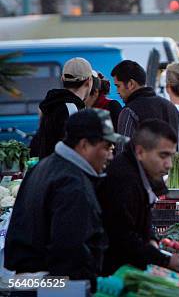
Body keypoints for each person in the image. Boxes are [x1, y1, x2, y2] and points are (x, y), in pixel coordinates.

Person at [6, 109, 128, 290]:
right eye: (106, 147)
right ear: (84, 145)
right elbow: (69, 252)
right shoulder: (72, 184)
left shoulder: (44, 166)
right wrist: (88, 285)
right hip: (51, 287)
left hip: (30, 283)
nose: (110, 155)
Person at [97, 120, 179, 275]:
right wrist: (165, 260)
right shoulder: (123, 180)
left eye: (171, 156)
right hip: (112, 273)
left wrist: (152, 239)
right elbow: (122, 236)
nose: (169, 165)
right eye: (163, 155)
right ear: (140, 152)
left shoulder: (141, 172)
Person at [30, 57, 94, 159]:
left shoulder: (51, 105)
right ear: (89, 80)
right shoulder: (71, 109)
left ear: (62, 79)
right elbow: (75, 151)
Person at [111, 60, 179, 154]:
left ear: (131, 84)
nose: (117, 91)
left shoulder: (129, 112)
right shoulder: (171, 107)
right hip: (169, 167)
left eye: (118, 86)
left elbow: (123, 152)